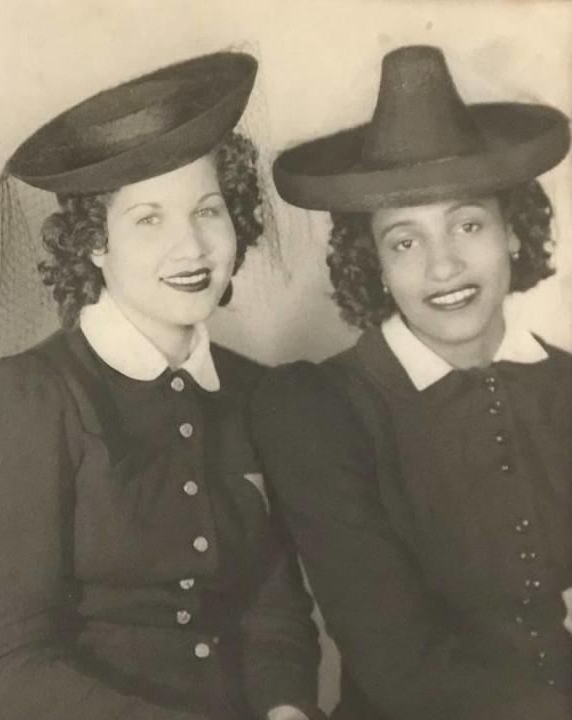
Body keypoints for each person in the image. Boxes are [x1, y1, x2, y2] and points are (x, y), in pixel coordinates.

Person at [0, 52, 323, 720]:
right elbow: (7, 665)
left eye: (209, 211)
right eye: (149, 219)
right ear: (94, 242)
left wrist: (287, 709)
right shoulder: (35, 395)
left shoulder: (255, 395)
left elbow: (274, 615)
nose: (190, 247)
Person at [252, 45, 572, 720]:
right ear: (375, 264)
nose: (443, 265)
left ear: (514, 233)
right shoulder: (317, 409)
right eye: (405, 240)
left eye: (468, 224)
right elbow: (400, 665)